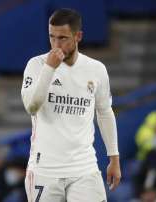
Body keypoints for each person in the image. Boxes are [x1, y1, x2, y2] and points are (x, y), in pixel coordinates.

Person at [21, 8, 121, 202]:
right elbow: (32, 106)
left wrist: (114, 158)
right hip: (45, 170)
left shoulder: (96, 69)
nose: (56, 44)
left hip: (84, 169)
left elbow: (104, 113)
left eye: (63, 38)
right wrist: (50, 68)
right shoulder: (36, 65)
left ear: (78, 36)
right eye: (52, 37)